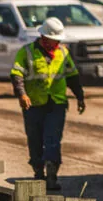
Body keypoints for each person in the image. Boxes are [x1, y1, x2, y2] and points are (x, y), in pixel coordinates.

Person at [9, 17, 85, 191]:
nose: (58, 42)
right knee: (35, 139)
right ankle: (38, 173)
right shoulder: (27, 52)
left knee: (53, 140)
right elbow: (16, 74)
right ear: (44, 37)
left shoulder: (63, 53)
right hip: (33, 105)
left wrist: (80, 96)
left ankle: (51, 177)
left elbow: (72, 77)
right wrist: (22, 95)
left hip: (56, 104)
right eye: (55, 39)